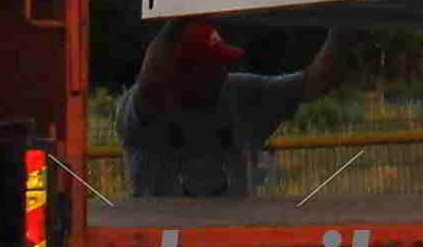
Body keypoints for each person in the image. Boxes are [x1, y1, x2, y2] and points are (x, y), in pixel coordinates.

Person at [118, 17, 346, 198]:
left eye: (222, 62)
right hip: (163, 243)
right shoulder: (145, 112)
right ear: (181, 72)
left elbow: (318, 81)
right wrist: (179, 16)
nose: (222, 71)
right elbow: (149, 84)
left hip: (233, 241)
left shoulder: (240, 94)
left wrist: (343, 22)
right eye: (211, 65)